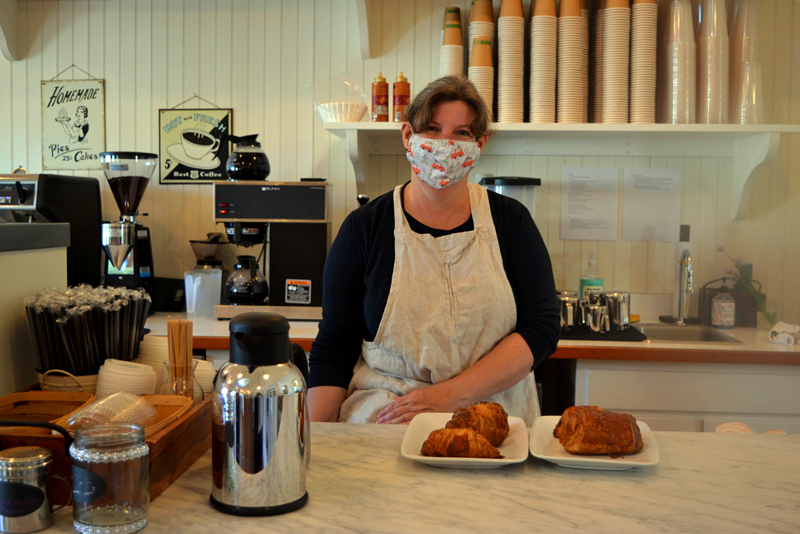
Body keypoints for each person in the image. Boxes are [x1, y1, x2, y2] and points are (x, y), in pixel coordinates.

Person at [308, 75, 560, 426]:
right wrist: (316, 440)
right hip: (388, 417)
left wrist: (451, 396)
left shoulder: (510, 221)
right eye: (432, 129)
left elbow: (541, 327)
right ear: (408, 136)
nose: (445, 144)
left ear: (480, 143)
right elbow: (335, 345)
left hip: (493, 417)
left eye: (461, 133)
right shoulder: (364, 228)